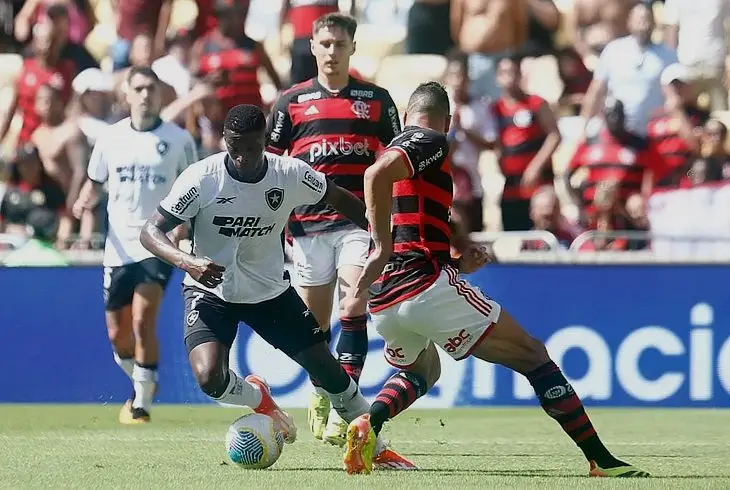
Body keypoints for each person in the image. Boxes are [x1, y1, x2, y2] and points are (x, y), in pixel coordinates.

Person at [342, 81, 649, 478]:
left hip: (386, 299)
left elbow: (409, 225)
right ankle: (600, 461)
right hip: (421, 287)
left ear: (404, 112)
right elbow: (375, 174)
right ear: (448, 120)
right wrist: (381, 245)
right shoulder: (431, 139)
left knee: (423, 373)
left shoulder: (402, 152)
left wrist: (454, 261)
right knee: (535, 356)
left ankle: (368, 422)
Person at [139, 104, 415, 470]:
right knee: (209, 378)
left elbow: (340, 200)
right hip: (209, 292)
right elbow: (150, 231)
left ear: (266, 142)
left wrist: (383, 240)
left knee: (326, 369)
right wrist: (186, 261)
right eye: (234, 148)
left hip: (269, 293)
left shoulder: (290, 174)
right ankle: (260, 399)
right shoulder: (201, 178)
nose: (241, 157)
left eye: (250, 148)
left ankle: (376, 449)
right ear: (225, 141)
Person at [266, 12, 402, 446]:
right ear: (312, 47)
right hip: (305, 228)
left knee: (354, 298)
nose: (331, 51)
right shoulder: (291, 102)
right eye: (324, 44)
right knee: (315, 325)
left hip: (356, 223)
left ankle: (348, 407)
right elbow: (267, 164)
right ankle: (322, 390)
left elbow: (400, 157)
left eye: (339, 44)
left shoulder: (376, 99)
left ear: (352, 48)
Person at [72, 66, 198, 424]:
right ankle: (144, 379)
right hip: (118, 248)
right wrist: (85, 202)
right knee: (118, 335)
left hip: (156, 243)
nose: (145, 95)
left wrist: (184, 232)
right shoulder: (110, 139)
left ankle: (141, 405)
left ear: (159, 94)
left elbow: (192, 189)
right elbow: (94, 182)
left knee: (144, 319)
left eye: (151, 88)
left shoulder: (178, 140)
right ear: (126, 93)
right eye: (139, 88)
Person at [491, 54, 561, 231]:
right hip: (511, 186)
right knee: (512, 234)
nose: (509, 77)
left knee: (541, 231)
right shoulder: (495, 109)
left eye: (513, 72)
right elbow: (495, 141)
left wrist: (535, 167)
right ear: (497, 77)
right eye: (504, 73)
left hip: (537, 185)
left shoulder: (535, 103)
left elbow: (554, 135)